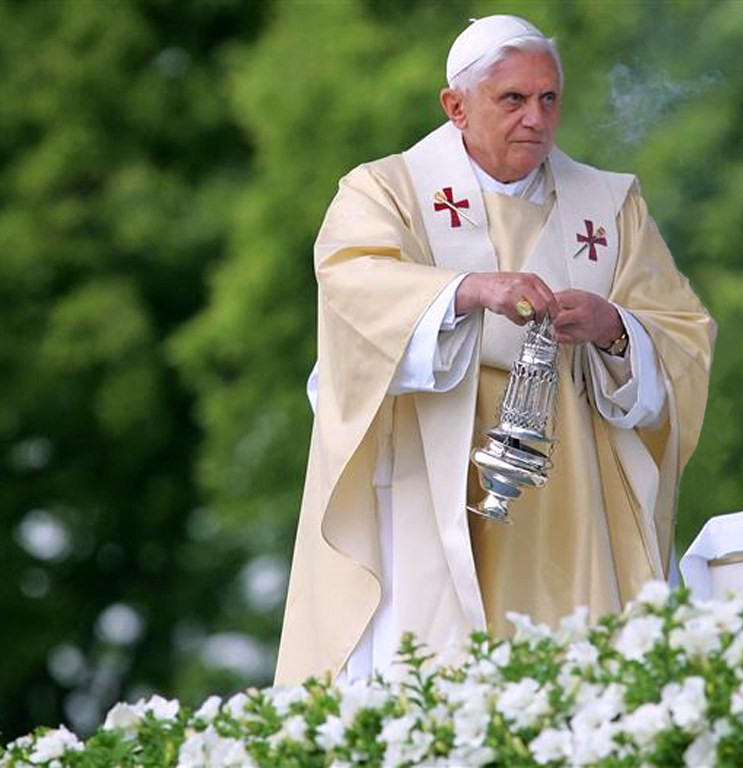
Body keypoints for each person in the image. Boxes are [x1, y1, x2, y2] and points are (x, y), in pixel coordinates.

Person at [275, 15, 716, 685]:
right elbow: (352, 295)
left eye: (549, 98)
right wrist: (466, 290)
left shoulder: (610, 205)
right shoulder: (385, 193)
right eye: (513, 99)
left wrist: (615, 328)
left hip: (575, 474)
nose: (536, 118)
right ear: (456, 106)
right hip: (432, 465)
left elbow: (682, 334)